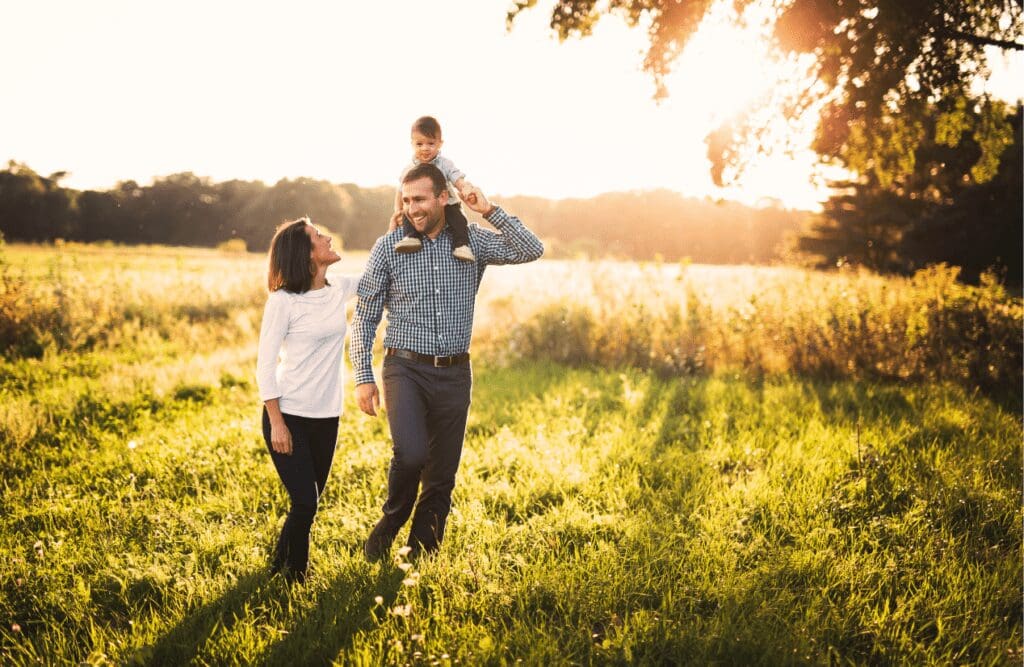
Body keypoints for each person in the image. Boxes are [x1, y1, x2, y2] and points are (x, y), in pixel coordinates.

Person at [351, 163, 544, 562]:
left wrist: (488, 209)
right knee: (412, 455)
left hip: (456, 373)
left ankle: (422, 558)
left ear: (443, 198)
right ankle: (390, 523)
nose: (412, 208)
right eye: (406, 200)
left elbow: (531, 249)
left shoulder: (471, 241)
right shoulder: (389, 247)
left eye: (420, 199)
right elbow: (365, 315)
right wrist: (362, 377)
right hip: (405, 368)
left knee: (441, 475)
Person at [256, 217, 359, 583]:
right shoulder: (283, 302)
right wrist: (278, 422)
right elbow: (265, 367)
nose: (328, 236)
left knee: (307, 505)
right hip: (289, 415)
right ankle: (295, 579)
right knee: (305, 502)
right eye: (319, 236)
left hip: (327, 415)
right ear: (307, 253)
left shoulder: (339, 288)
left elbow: (382, 276)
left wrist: (400, 230)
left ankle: (276, 567)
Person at [390, 116, 476, 263]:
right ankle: (411, 237)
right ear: (412, 144)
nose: (425, 148)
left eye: (431, 143)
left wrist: (466, 189)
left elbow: (456, 178)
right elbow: (401, 191)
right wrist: (398, 209)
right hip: (417, 206)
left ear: (440, 144)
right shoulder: (408, 169)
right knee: (409, 212)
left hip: (448, 203)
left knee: (459, 220)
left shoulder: (445, 164)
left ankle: (461, 245)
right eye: (419, 144)